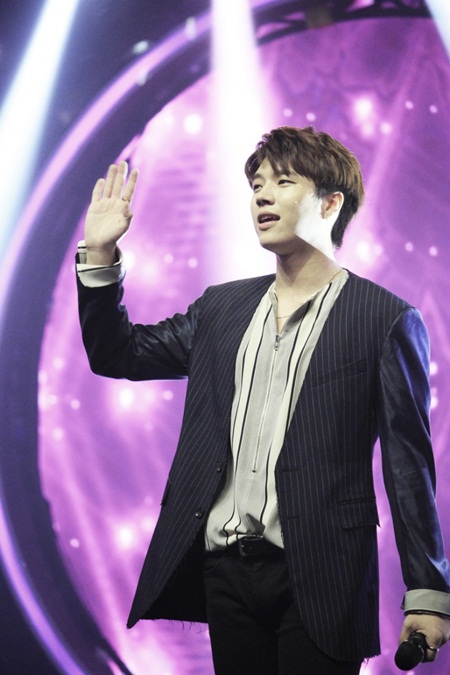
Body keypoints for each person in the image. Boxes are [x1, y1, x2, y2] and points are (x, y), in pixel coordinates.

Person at [76, 126, 450, 674]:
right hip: (226, 572)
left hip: (323, 572)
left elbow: (408, 465)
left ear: (330, 203)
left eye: (282, 182)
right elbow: (119, 354)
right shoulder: (221, 308)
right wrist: (101, 252)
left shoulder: (384, 318)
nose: (262, 196)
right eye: (256, 186)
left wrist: (427, 593)